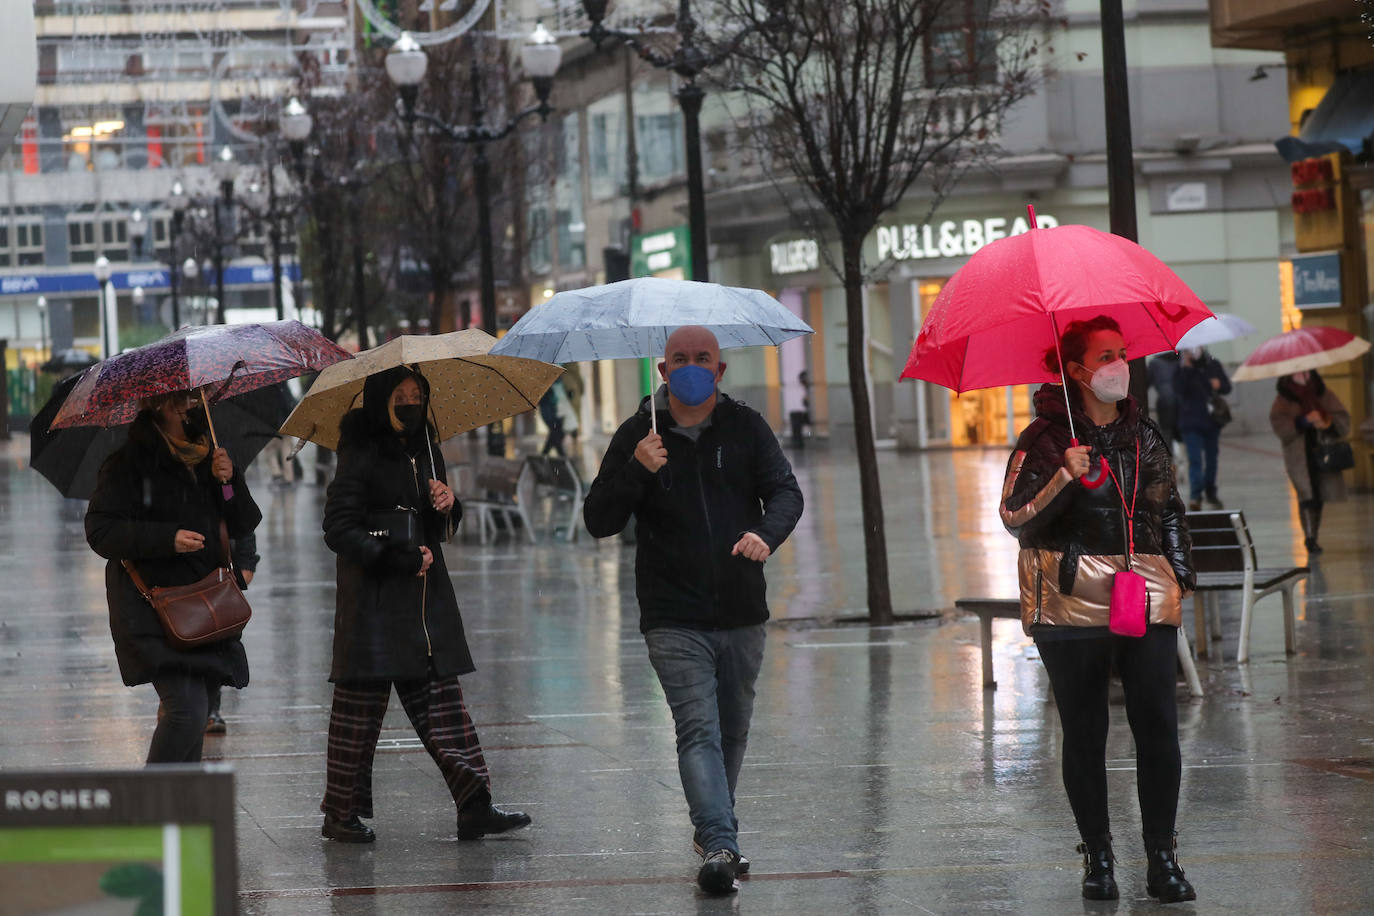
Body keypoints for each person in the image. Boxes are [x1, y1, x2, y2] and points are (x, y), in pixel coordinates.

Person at [583, 326, 804, 896]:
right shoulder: (639, 434)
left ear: (720, 371)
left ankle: (717, 832)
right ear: (662, 371)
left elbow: (786, 493)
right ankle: (721, 842)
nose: (690, 367)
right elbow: (598, 520)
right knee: (697, 729)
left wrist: (764, 533)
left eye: (702, 358)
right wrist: (636, 469)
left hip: (740, 609)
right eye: (679, 359)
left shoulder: (745, 426)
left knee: (732, 730)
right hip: (671, 613)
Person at [1000, 316, 1196, 904]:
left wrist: (1182, 576)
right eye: (1105, 355)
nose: (1120, 364)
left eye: (1122, 352)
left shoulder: (1146, 436)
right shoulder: (1043, 439)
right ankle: (1099, 854)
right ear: (1077, 372)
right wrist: (1064, 476)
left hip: (1145, 589)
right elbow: (1015, 518)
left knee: (1158, 724)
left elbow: (1169, 509)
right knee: (1085, 731)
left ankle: (1162, 856)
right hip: (1069, 598)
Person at [319, 365, 529, 844]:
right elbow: (339, 527)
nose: (411, 402)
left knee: (444, 707)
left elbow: (439, 524)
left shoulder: (427, 449)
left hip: (424, 602)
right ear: (380, 399)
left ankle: (475, 806)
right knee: (358, 715)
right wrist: (395, 556)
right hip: (373, 606)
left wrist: (447, 503)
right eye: (401, 394)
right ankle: (340, 814)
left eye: (418, 394)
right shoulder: (361, 448)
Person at [85, 389, 262, 765]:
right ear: (156, 408)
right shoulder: (128, 465)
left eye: (191, 401)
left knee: (194, 715)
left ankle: (180, 814)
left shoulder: (209, 456)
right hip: (153, 607)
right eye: (178, 402)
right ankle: (151, 810)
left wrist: (227, 482)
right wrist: (167, 539)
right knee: (187, 711)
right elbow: (101, 532)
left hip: (206, 604)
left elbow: (242, 521)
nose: (187, 408)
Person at [1269, 368, 1350, 554]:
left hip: (1322, 451)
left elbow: (1341, 418)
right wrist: (1302, 421)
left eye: (1305, 371)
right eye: (1297, 372)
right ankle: (1309, 537)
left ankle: (1314, 535)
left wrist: (1326, 421)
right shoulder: (1284, 397)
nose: (1301, 375)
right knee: (1306, 493)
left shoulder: (1322, 392)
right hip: (1299, 455)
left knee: (1318, 494)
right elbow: (1280, 424)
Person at [204, 534, 259, 736]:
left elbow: (240, 509)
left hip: (218, 569)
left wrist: (246, 560)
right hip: (175, 570)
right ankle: (178, 701)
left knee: (214, 639)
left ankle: (210, 708)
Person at [1173, 346, 1231, 510]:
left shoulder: (1212, 365)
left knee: (1212, 459)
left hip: (1211, 421)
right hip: (1190, 422)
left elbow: (1227, 387)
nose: (1193, 351)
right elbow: (1178, 390)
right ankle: (1195, 495)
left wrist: (1218, 384)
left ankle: (1211, 492)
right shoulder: (1182, 369)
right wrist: (1186, 368)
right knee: (1195, 459)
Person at [538, 381, 565, 457]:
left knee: (555, 433)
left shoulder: (555, 380)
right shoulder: (547, 383)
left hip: (552, 411)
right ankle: (561, 455)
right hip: (550, 412)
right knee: (556, 433)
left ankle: (545, 454)